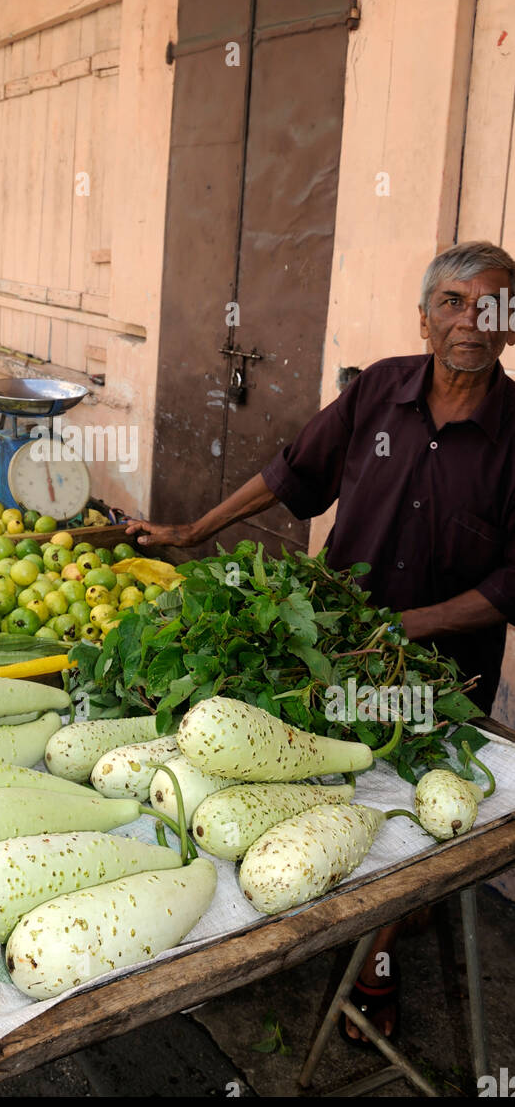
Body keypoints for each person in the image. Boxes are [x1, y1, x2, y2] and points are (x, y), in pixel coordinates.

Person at [128, 239, 515, 1042]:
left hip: (435, 677)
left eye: (491, 305)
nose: (469, 322)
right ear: (423, 317)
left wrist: (397, 630)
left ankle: (373, 961)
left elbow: (511, 586)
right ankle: (244, 935)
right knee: (298, 786)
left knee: (408, 827)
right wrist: (192, 531)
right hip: (323, 654)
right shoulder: (377, 389)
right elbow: (291, 473)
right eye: (451, 302)